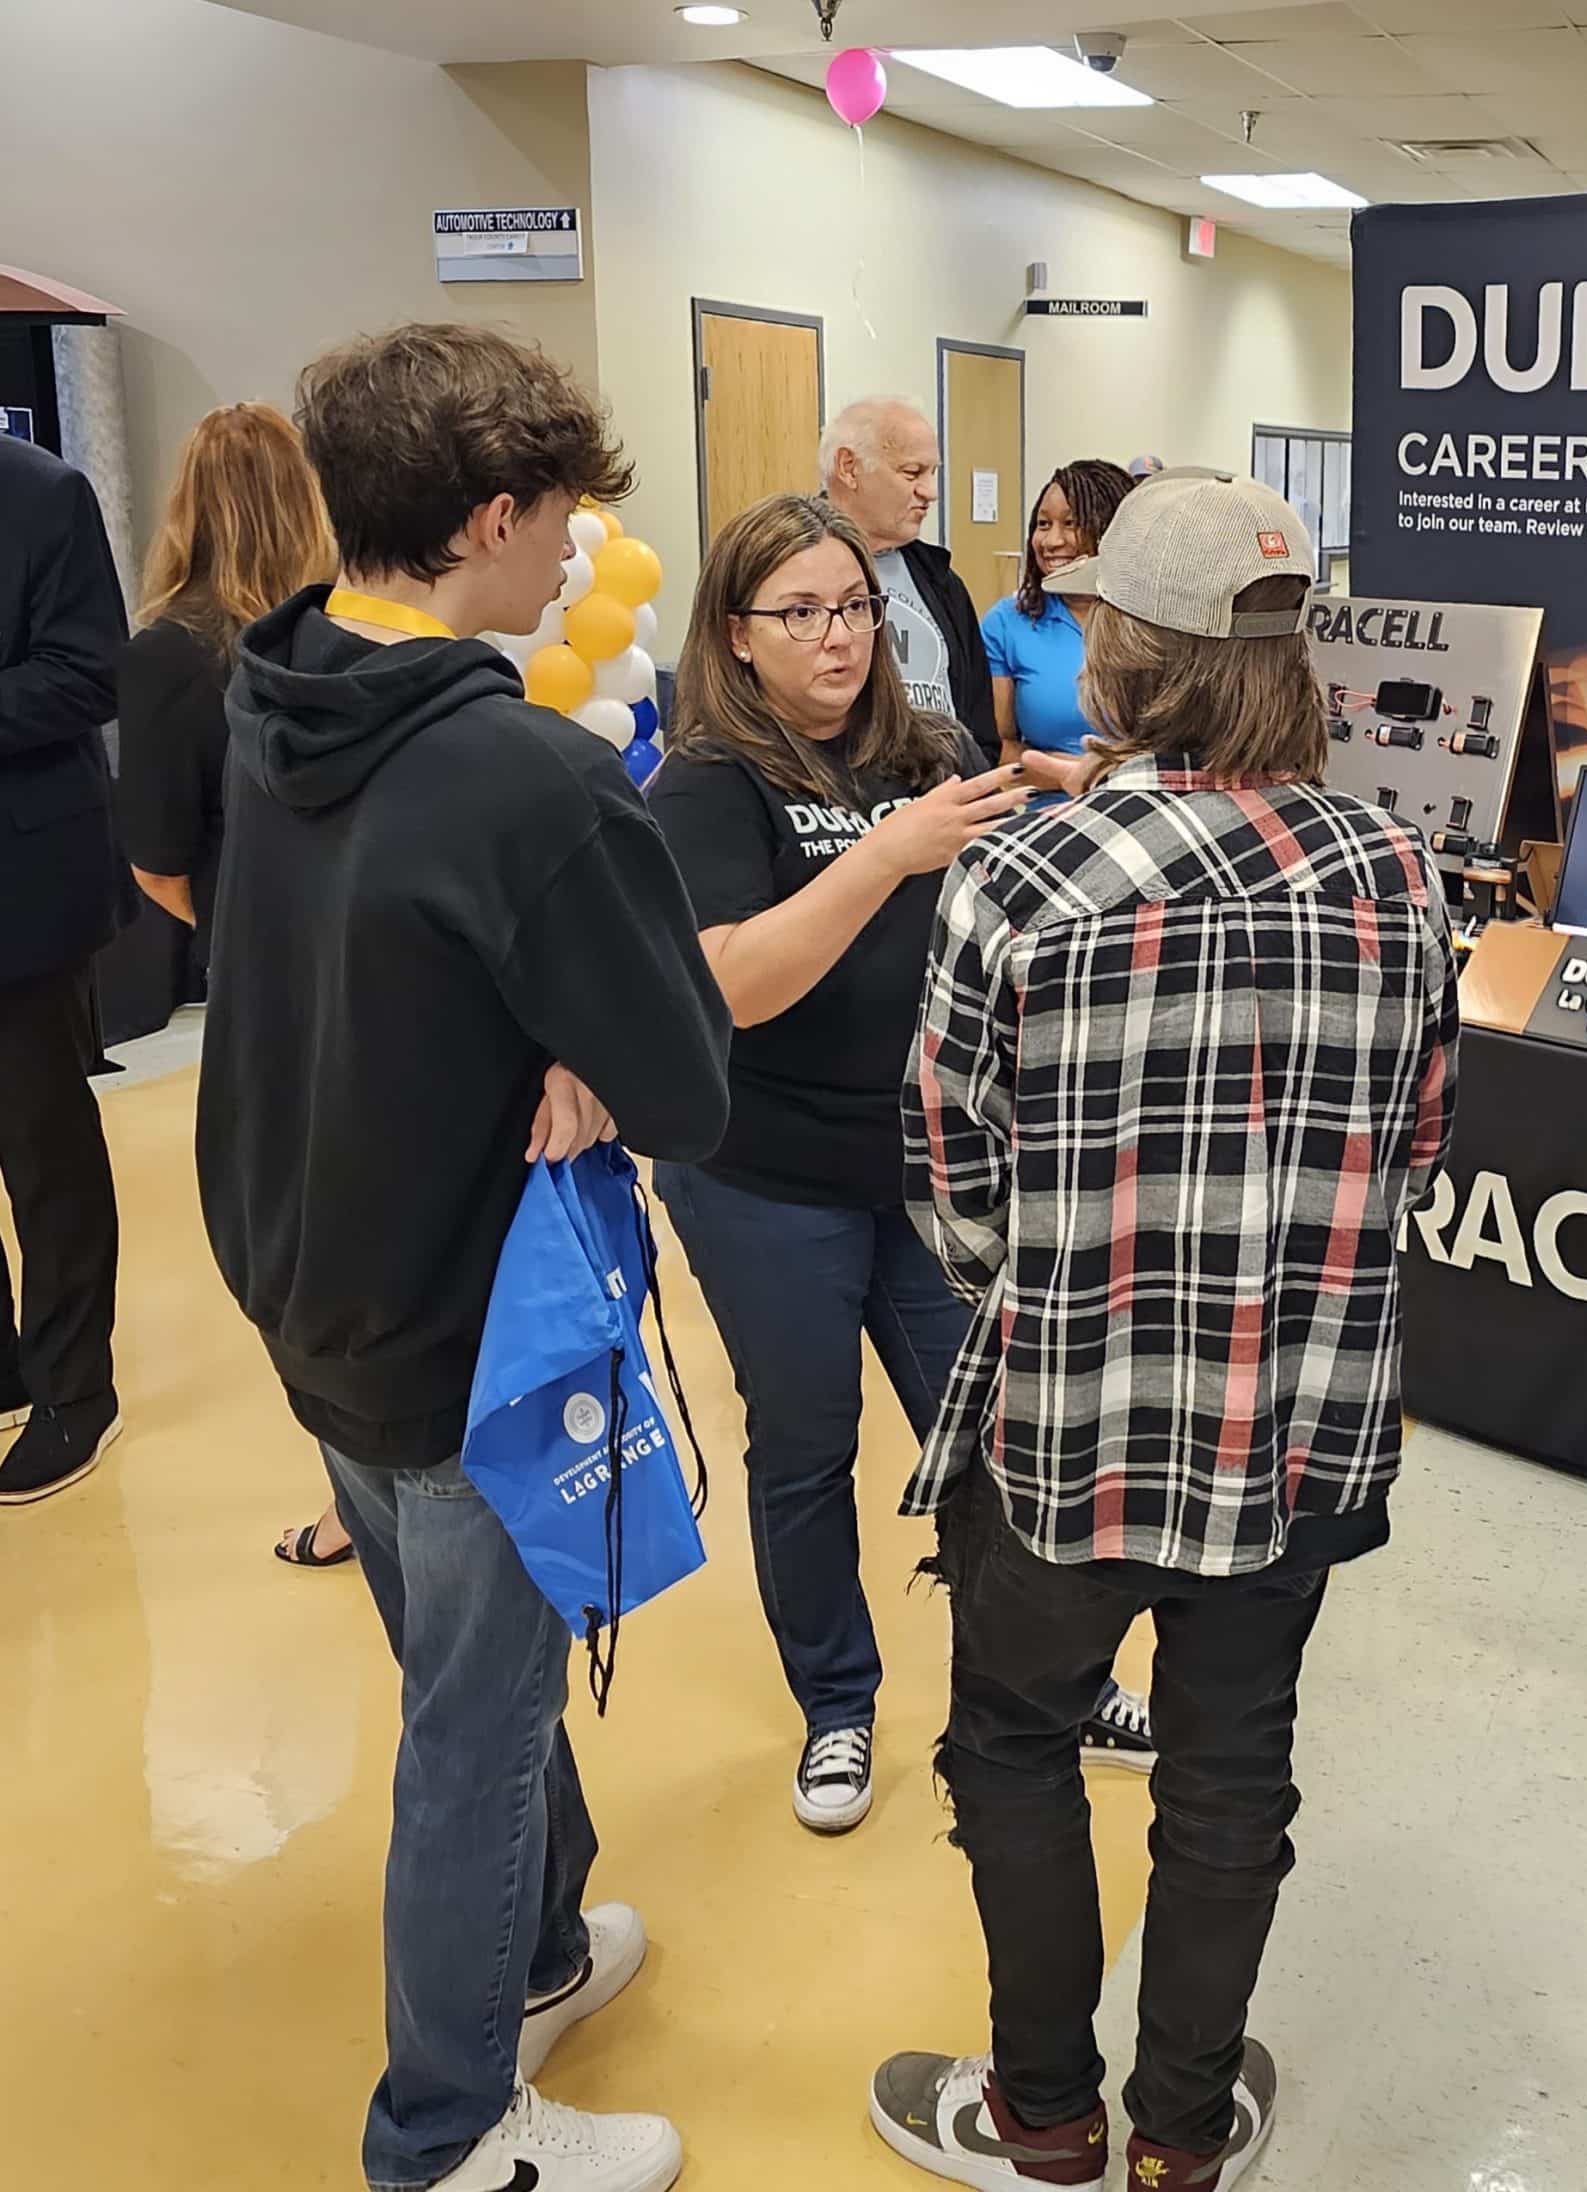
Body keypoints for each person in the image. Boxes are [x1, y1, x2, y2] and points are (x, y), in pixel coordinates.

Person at [872, 470, 1461, 2192]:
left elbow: (946, 1163)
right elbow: (1417, 1151)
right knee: (1231, 1773)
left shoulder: (1028, 871)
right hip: (1300, 1424)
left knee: (1015, 1739)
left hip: (1071, 1417)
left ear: (1124, 649)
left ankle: (1043, 2113)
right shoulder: (1403, 875)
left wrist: (1056, 1298)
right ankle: (1183, 2138)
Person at [198, 322, 732, 2192]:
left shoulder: (271, 689)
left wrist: (550, 1030)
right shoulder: (528, 781)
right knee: (476, 1725)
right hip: (461, 1320)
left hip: (295, 1264)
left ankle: (531, 1953)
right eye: (564, 522)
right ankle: (445, 2130)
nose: (579, 559)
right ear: (494, 520)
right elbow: (689, 1078)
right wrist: (597, 1040)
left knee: (447, 1656)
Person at [645, 492, 1155, 1838]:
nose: (837, 637)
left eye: (854, 609)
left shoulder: (922, 752)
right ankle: (838, 1706)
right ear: (736, 636)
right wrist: (884, 856)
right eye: (799, 613)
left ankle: (1050, 1677)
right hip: (765, 1179)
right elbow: (732, 987)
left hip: (928, 1167)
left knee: (991, 1438)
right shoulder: (705, 783)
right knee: (806, 1448)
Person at [111, 399, 355, 1568]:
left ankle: (354, 1493)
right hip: (375, 971)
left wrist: (249, 933)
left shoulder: (171, 653)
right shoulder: (349, 635)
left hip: (266, 996)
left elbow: (157, 863)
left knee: (297, 1248)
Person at [0, 427, 129, 1506]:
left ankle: (75, 1389)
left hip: (21, 890)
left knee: (42, 1150)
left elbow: (89, 673)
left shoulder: (44, 495)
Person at [819, 396, 999, 751]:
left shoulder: (942, 582)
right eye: (912, 473)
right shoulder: (784, 573)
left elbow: (979, 725)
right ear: (849, 468)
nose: (930, 492)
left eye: (933, 474)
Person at [981, 459, 1136, 799]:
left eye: (1071, 524)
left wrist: (1113, 774)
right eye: (1043, 524)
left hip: (1143, 809)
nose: (1051, 541)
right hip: (1048, 816)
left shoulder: (1151, 621)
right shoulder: (1007, 623)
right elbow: (993, 747)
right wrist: (1068, 773)